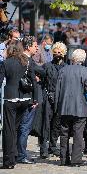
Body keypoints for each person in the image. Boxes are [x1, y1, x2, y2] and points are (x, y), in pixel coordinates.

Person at [0, 40, 37, 169]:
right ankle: (14, 155)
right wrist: (35, 99)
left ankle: (8, 161)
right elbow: (33, 81)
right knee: (15, 129)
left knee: (8, 131)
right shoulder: (25, 62)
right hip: (24, 100)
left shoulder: (6, 63)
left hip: (10, 99)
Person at [55, 49, 87, 166]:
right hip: (80, 107)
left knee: (64, 133)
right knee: (78, 134)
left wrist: (57, 106)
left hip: (64, 107)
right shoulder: (86, 71)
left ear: (73, 58)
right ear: (83, 59)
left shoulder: (63, 70)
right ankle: (76, 159)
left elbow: (58, 90)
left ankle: (63, 159)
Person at [39, 42, 67, 158]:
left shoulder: (66, 68)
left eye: (60, 52)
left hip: (60, 99)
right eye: (55, 51)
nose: (57, 53)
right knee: (45, 123)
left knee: (56, 123)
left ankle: (53, 146)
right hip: (48, 98)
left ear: (64, 53)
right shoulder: (47, 66)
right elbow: (40, 81)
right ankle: (43, 148)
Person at [17, 35, 41, 164]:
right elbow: (35, 78)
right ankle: (21, 155)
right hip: (28, 99)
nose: (37, 48)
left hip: (17, 98)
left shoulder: (17, 59)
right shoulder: (29, 61)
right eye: (35, 46)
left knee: (19, 127)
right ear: (28, 46)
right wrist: (36, 100)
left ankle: (17, 153)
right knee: (24, 128)